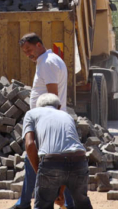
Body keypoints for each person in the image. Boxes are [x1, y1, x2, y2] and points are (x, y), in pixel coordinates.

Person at [11, 33, 73, 209]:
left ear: (39, 45)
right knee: (34, 162)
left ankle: (64, 201)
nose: (28, 54)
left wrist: (46, 124)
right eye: (24, 52)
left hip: (46, 122)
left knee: (38, 161)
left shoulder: (46, 63)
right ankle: (25, 202)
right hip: (48, 122)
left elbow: (52, 97)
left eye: (29, 50)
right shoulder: (51, 60)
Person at [23, 94, 91, 209]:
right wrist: (59, 191)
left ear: (38, 107)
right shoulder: (66, 116)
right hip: (79, 160)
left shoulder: (31, 114)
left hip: (51, 162)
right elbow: (67, 156)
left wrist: (40, 173)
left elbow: (29, 145)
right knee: (83, 204)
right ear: (59, 106)